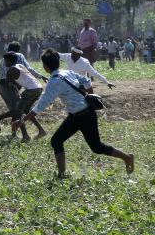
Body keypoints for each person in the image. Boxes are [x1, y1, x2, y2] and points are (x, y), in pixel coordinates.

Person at [13, 49, 134, 178]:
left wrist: (22, 120)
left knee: (97, 148)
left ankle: (127, 158)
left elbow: (40, 106)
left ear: (46, 67)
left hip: (85, 116)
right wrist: (89, 93)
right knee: (56, 141)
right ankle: (62, 174)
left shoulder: (54, 82)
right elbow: (85, 80)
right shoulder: (66, 72)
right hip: (76, 115)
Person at [0, 42, 47, 133]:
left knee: (19, 110)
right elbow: (28, 69)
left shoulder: (5, 58)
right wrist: (41, 76)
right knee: (19, 110)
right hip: (12, 85)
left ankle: (19, 132)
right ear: (18, 50)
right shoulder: (18, 56)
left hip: (4, 85)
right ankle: (25, 134)